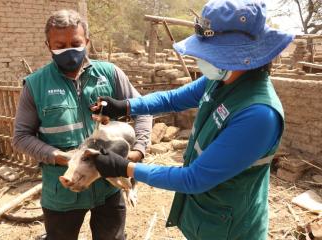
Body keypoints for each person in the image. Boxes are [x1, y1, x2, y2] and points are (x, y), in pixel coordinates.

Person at [90, 0, 294, 239]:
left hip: (230, 224)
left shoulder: (258, 115)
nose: (203, 60)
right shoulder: (222, 79)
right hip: (208, 211)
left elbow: (194, 178)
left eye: (212, 53)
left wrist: (127, 168)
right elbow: (174, 98)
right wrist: (126, 106)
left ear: (240, 55)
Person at [12, 9, 152, 240]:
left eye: (75, 43)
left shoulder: (109, 74)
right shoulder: (36, 85)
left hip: (110, 185)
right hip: (63, 190)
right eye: (60, 44)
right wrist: (62, 157)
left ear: (87, 42)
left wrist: (138, 151)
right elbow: (21, 137)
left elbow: (143, 110)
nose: (69, 49)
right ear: (48, 45)